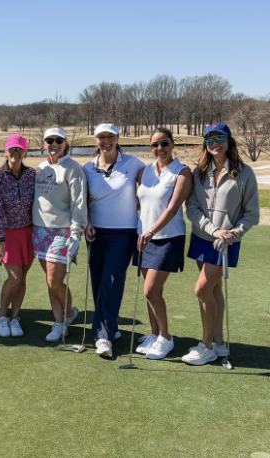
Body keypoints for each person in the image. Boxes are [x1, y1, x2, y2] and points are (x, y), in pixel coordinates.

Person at [183, 123, 259, 365]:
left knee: (202, 290)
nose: (214, 143)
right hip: (202, 238)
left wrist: (232, 234)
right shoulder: (199, 172)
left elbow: (252, 213)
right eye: (209, 139)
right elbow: (192, 207)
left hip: (225, 243)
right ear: (205, 144)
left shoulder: (244, 173)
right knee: (213, 290)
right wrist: (212, 229)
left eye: (220, 138)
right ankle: (218, 342)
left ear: (229, 141)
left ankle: (205, 346)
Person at [83, 123, 145, 357]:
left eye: (110, 136)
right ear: (96, 140)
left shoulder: (134, 163)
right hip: (95, 233)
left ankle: (103, 336)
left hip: (123, 233)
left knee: (112, 281)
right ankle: (112, 326)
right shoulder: (88, 168)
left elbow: (152, 183)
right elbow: (84, 202)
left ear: (118, 138)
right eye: (101, 137)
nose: (106, 141)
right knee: (98, 283)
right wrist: (87, 222)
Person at [133, 128, 192, 360]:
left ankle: (166, 338)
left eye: (164, 143)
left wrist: (151, 230)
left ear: (172, 145)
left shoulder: (182, 172)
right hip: (143, 238)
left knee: (151, 290)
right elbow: (140, 202)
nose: (160, 149)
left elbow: (173, 208)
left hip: (167, 238)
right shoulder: (144, 172)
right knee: (151, 293)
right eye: (155, 145)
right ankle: (155, 334)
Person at [32, 127, 87, 343]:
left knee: (55, 281)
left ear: (65, 143)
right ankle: (61, 320)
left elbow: (79, 203)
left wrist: (76, 234)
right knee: (49, 281)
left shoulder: (73, 168)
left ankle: (69, 315)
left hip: (63, 231)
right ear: (44, 143)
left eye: (58, 140)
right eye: (49, 140)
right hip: (39, 230)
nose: (54, 144)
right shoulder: (40, 167)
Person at [0, 134, 36, 337]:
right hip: (7, 234)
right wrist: (0, 239)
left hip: (28, 232)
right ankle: (1, 316)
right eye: (12, 149)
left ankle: (15, 318)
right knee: (14, 277)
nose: (15, 153)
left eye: (19, 149)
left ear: (24, 153)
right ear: (6, 152)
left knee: (22, 278)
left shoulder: (32, 175)